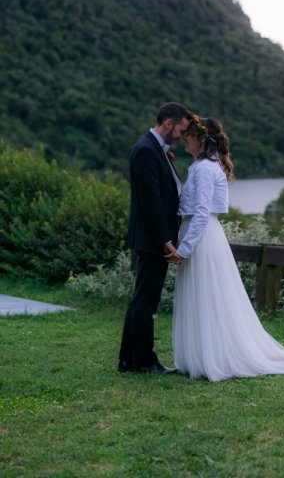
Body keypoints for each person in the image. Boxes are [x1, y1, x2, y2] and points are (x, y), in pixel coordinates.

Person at [166, 116, 284, 381]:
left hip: (200, 237)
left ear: (201, 140)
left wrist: (185, 248)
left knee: (205, 295)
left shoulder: (204, 169)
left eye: (188, 135)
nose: (183, 139)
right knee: (205, 296)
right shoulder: (206, 166)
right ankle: (203, 356)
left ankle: (208, 358)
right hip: (204, 235)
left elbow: (202, 212)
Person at [119, 101, 193, 374]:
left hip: (153, 238)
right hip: (152, 240)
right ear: (168, 123)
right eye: (180, 129)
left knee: (141, 300)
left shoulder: (156, 150)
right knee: (146, 302)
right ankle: (144, 361)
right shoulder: (145, 151)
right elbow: (150, 202)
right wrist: (166, 241)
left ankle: (128, 360)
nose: (181, 135)